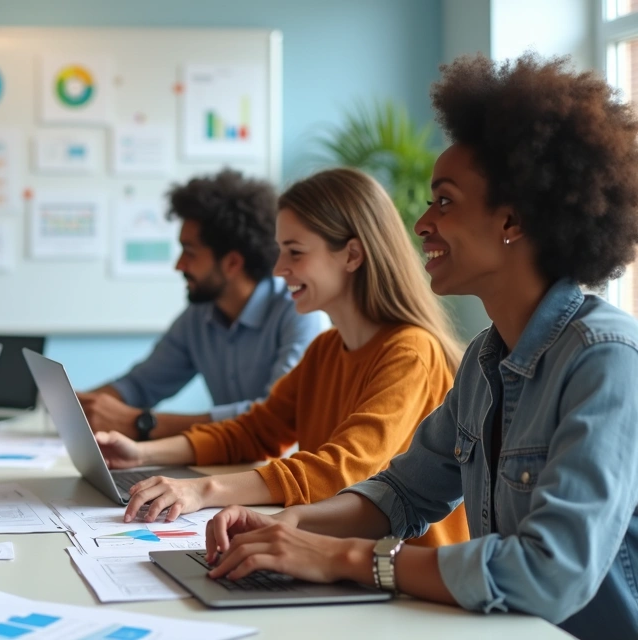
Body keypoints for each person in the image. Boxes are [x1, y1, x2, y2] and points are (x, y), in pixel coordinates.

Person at [201, 54, 638, 640]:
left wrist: (343, 559)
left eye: (445, 201)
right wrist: (292, 524)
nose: (421, 223)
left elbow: (548, 574)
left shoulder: (606, 360)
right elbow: (402, 494)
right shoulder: (486, 359)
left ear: (511, 219)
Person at [97, 168, 469, 547]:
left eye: (295, 252)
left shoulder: (409, 352)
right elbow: (253, 432)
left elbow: (341, 471)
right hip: (334, 555)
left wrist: (204, 490)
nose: (278, 269)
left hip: (403, 578)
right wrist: (142, 451)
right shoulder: (326, 350)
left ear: (352, 255)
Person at [78, 169, 328, 441]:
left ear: (232, 263)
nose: (178, 265)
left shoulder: (300, 312)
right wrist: (81, 408)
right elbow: (140, 385)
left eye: (189, 251)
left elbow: (275, 419)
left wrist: (144, 423)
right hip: (227, 466)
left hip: (279, 473)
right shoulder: (199, 317)